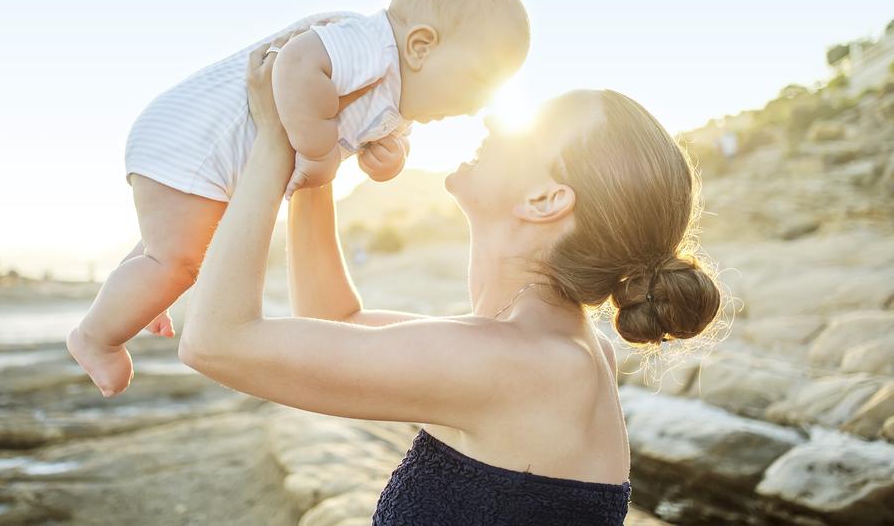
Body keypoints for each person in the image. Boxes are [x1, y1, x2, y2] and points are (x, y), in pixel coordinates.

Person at [177, 42, 722, 525]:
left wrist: (274, 138)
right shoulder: (540, 349)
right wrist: (319, 161)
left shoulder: (530, 363)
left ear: (545, 200)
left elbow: (215, 342)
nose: (493, 122)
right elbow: (333, 321)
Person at [67, 0, 530, 396]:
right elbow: (295, 64)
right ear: (420, 45)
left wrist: (387, 157)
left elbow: (376, 137)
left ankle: (145, 288)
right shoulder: (368, 45)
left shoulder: (399, 94)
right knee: (180, 260)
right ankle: (96, 337)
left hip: (218, 167)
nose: (481, 103)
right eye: (478, 80)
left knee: (186, 248)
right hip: (196, 142)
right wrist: (318, 149)